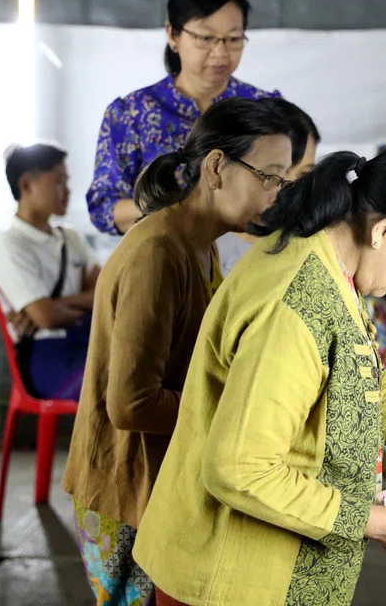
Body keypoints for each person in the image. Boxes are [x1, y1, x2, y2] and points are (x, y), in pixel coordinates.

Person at [132, 144, 386, 606]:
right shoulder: (293, 304)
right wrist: (373, 520)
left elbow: (363, 390)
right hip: (231, 577)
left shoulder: (333, 270)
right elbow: (240, 469)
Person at [63, 98, 293, 606]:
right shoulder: (158, 254)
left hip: (157, 477)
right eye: (268, 176)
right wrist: (233, 420)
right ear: (216, 167)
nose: (276, 194)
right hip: (127, 485)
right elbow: (130, 405)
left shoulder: (199, 243)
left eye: (284, 180)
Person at [87, 0, 280, 236]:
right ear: (173, 35)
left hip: (248, 262)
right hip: (166, 260)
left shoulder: (266, 108)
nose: (220, 52)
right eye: (206, 38)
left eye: (233, 39)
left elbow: (290, 187)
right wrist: (173, 206)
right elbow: (104, 207)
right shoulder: (132, 113)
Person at [0, 143, 100, 401]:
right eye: (59, 181)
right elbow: (47, 318)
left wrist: (56, 305)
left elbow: (107, 290)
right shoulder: (8, 245)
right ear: (26, 184)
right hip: (45, 356)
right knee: (112, 387)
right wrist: (55, 309)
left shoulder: (71, 237)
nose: (68, 191)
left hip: (87, 341)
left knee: (140, 374)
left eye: (67, 181)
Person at [217, 97, 320, 275]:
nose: (290, 184)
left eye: (303, 174)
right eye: (278, 170)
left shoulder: (306, 243)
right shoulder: (199, 237)